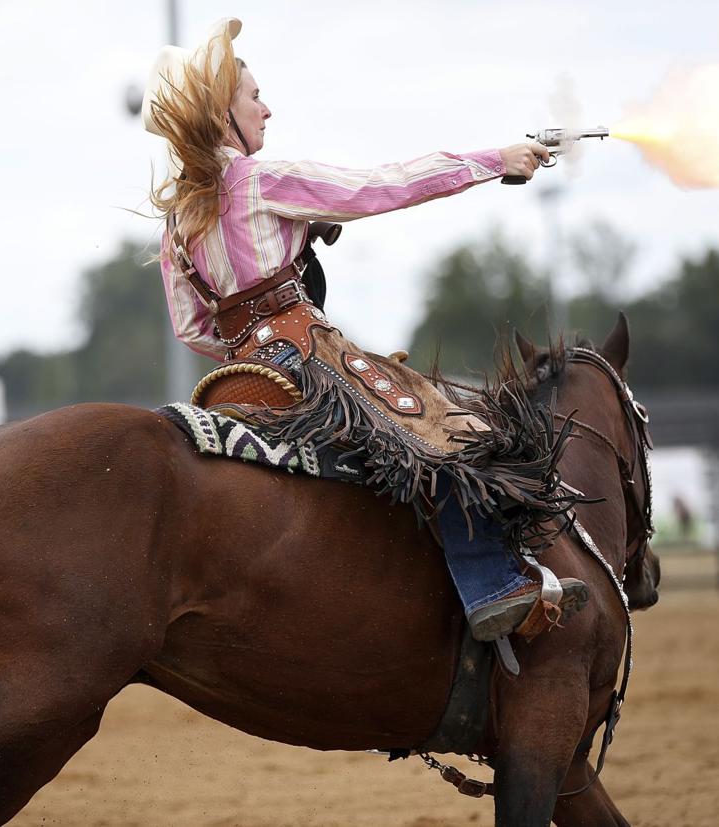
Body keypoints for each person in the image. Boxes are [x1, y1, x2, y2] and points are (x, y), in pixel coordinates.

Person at [142, 18, 588, 642]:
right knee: (447, 431)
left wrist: (253, 332)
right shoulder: (262, 181)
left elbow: (192, 328)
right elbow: (385, 187)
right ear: (223, 116)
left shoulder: (176, 223)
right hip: (305, 357)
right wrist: (494, 161)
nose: (267, 110)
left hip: (239, 375)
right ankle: (492, 585)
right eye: (254, 97)